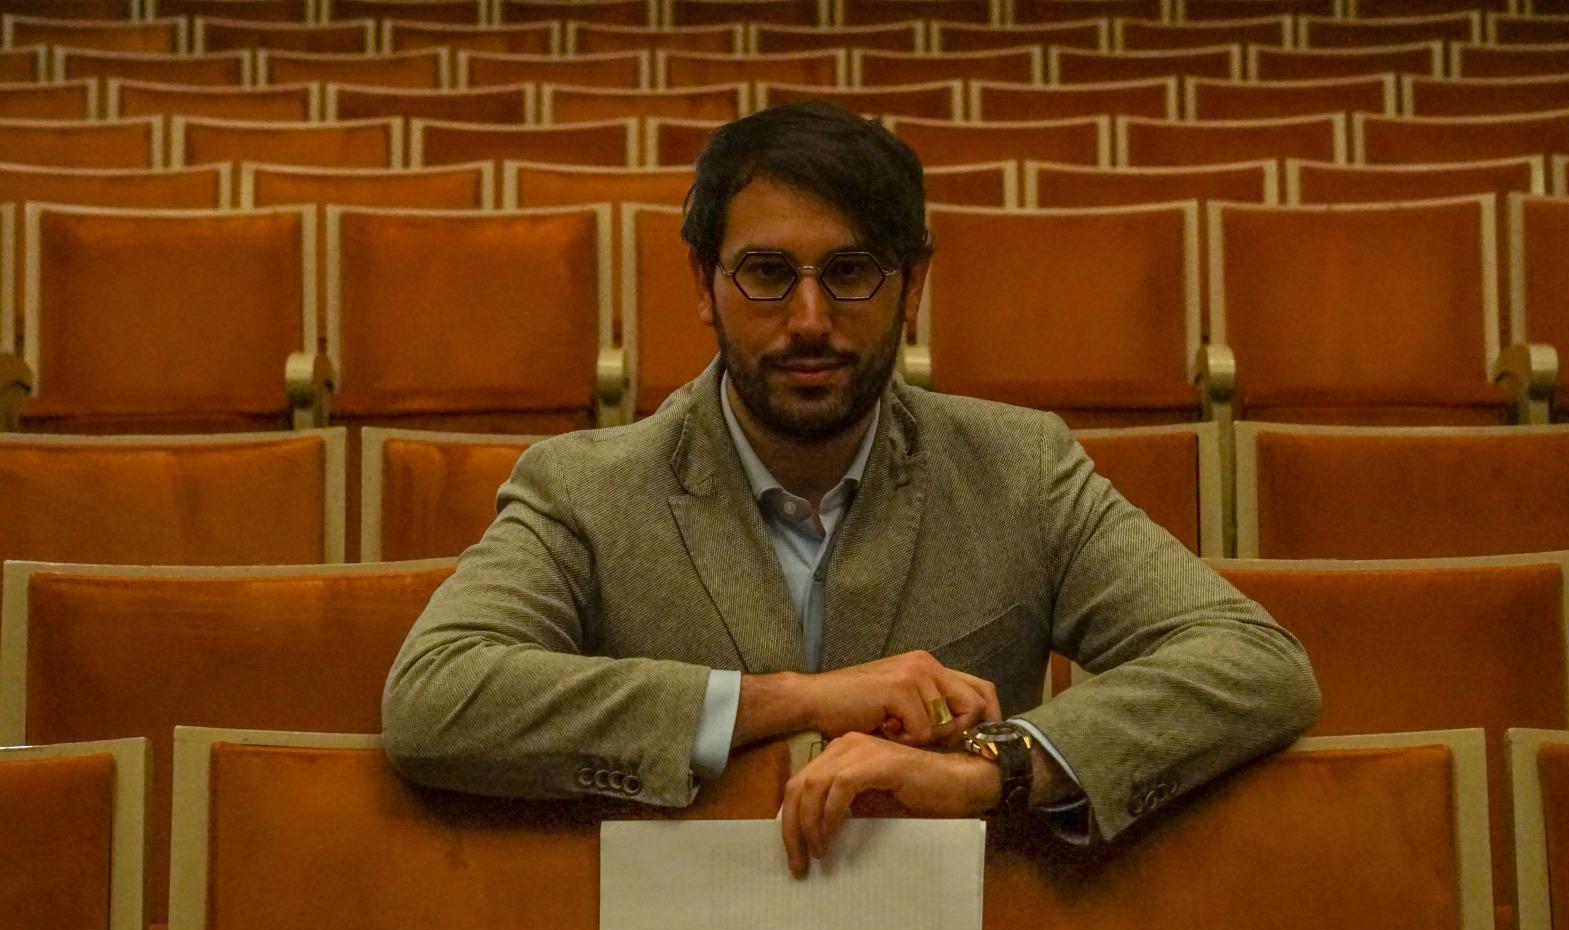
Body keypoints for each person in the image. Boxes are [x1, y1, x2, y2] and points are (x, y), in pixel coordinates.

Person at [382, 101, 1320, 877]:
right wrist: (796, 699)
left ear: (912, 286)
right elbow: (437, 696)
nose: (809, 318)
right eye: (765, 273)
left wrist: (994, 767)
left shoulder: (1021, 468)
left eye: (851, 272)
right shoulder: (583, 487)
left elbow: (1252, 661)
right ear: (703, 283)